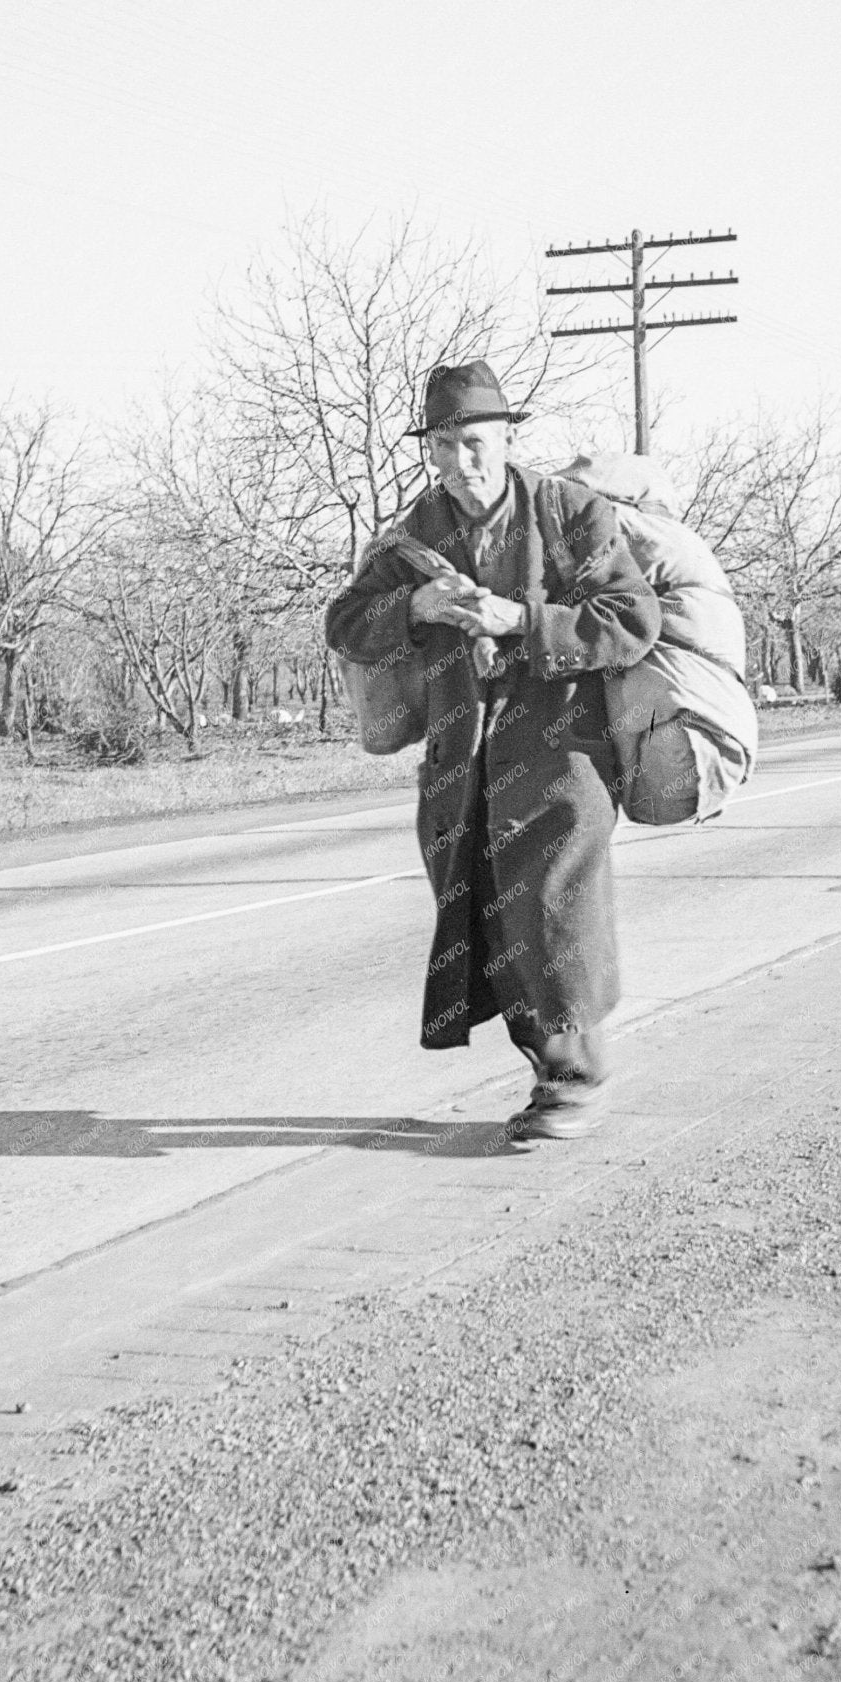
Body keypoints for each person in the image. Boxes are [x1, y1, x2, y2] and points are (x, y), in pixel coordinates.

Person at [325, 360, 662, 1141]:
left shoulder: (569, 514)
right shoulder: (415, 539)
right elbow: (343, 622)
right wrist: (413, 605)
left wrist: (521, 621)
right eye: (443, 446)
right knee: (491, 928)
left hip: (560, 761)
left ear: (508, 439)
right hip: (460, 767)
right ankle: (549, 1071)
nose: (461, 463)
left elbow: (630, 620)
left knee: (555, 916)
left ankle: (577, 1078)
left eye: (476, 442)